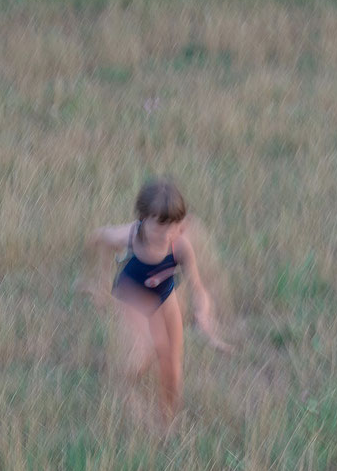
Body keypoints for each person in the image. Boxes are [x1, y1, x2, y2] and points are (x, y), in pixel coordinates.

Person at [85, 178, 231, 424]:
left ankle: (168, 420)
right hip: (132, 294)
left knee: (173, 364)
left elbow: (198, 288)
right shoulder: (129, 235)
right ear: (142, 218)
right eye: (159, 226)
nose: (166, 234)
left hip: (164, 293)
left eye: (174, 226)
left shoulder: (181, 246)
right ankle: (123, 380)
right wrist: (100, 277)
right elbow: (100, 237)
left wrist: (204, 318)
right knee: (150, 348)